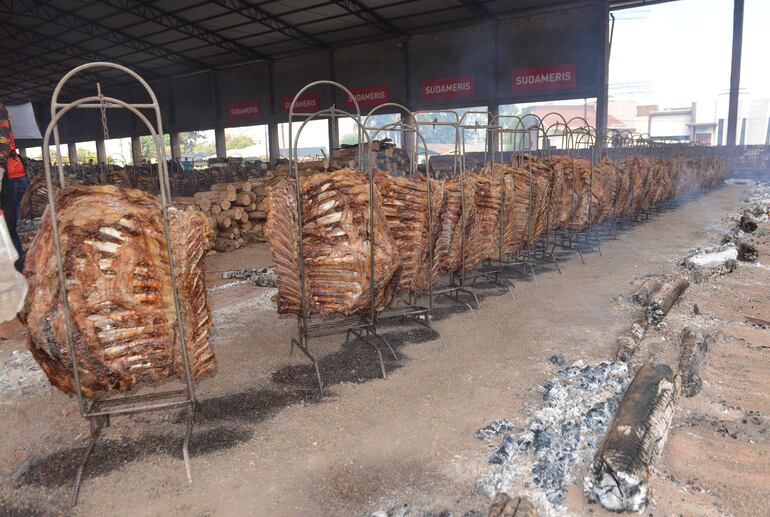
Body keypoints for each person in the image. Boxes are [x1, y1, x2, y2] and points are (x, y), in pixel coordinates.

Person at [0, 104, 28, 272]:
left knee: (8, 230)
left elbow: (3, 146)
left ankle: (17, 273)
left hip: (9, 177)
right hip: (10, 176)